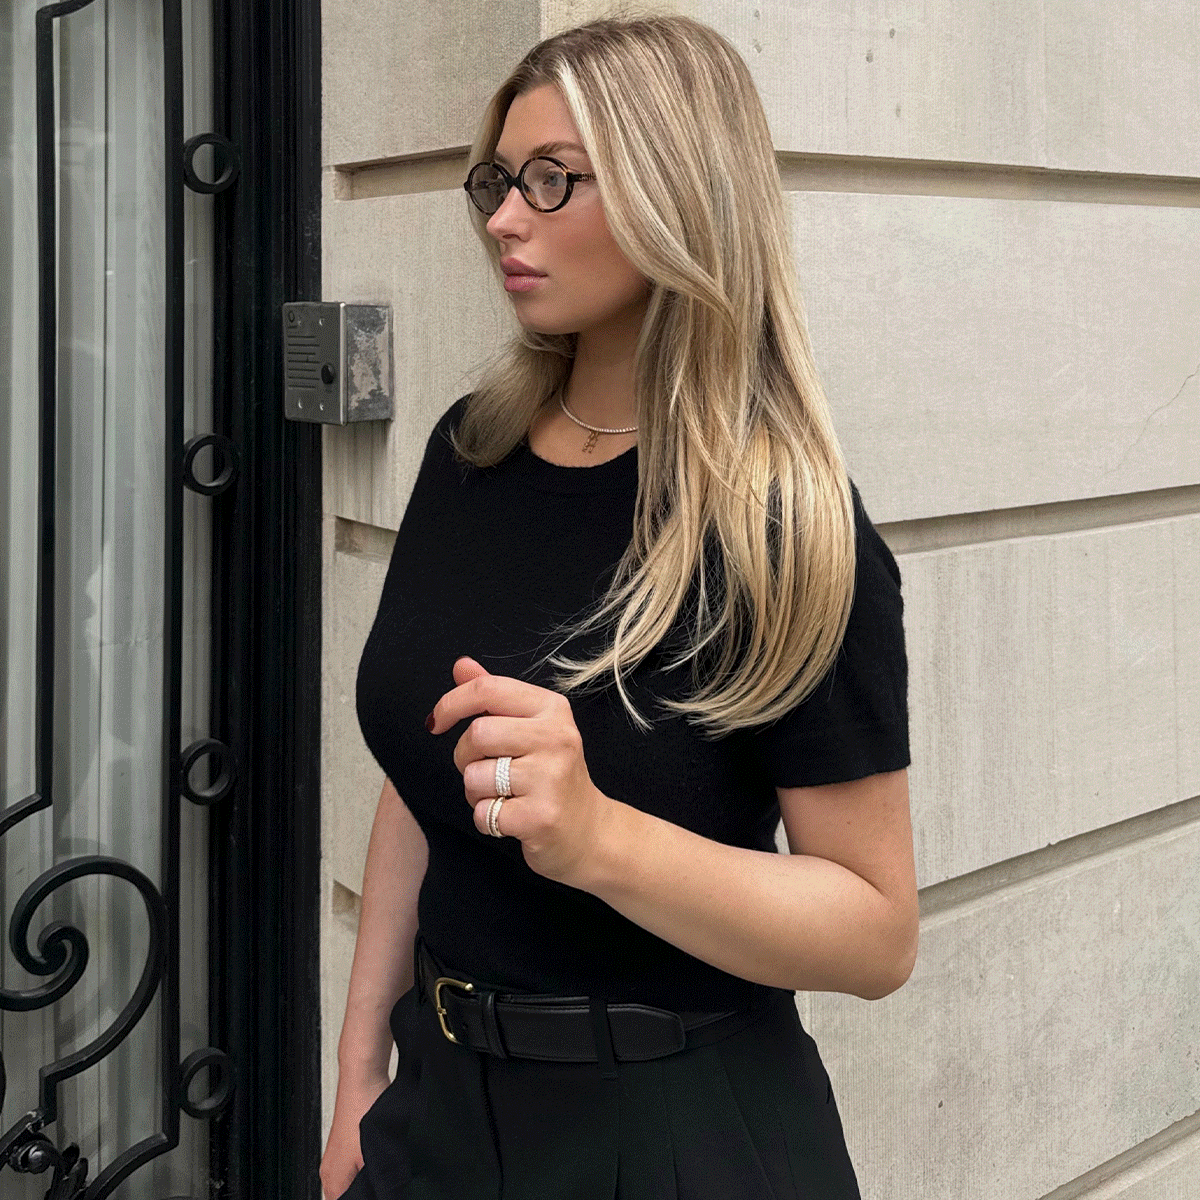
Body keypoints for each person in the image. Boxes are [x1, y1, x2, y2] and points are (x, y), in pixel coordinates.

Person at [321, 11, 918, 1200]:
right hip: (438, 1110)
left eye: (553, 180)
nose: (504, 218)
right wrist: (356, 1076)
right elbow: (429, 776)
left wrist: (599, 837)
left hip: (672, 1129)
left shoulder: (782, 525)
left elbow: (876, 932)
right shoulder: (473, 450)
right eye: (498, 180)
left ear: (676, 191)